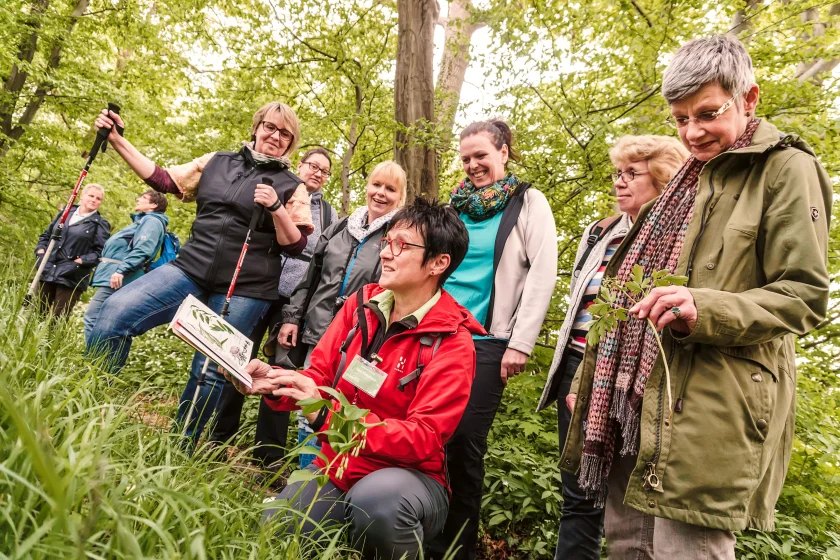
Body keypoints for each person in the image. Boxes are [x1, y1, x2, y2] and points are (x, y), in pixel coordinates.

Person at [561, 34, 831, 559]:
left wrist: (703, 309)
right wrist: (592, 379)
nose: (692, 131)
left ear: (749, 98)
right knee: (625, 546)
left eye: (707, 113)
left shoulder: (785, 169)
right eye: (680, 119)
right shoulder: (685, 175)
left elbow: (804, 295)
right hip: (632, 398)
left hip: (713, 403)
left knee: (688, 548)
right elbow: (623, 293)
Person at [224, 198, 478, 560]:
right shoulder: (361, 304)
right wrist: (278, 383)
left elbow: (425, 438)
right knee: (276, 527)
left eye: (401, 245)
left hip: (410, 479)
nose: (385, 253)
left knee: (377, 503)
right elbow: (318, 374)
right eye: (387, 241)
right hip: (340, 463)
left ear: (438, 263)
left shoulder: (453, 341)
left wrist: (330, 418)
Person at [86, 101, 312, 441]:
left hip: (246, 287)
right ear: (256, 127)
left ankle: (180, 449)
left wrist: (277, 208)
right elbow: (164, 179)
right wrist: (117, 139)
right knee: (114, 312)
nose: (276, 136)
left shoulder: (293, 186)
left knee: (209, 370)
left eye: (285, 134)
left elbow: (294, 244)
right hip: (189, 270)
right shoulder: (217, 161)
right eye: (270, 127)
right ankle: (90, 410)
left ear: (291, 143)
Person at [536, 135, 689, 559]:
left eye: (631, 174)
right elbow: (579, 307)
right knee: (580, 494)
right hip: (580, 371)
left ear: (662, 179)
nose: (619, 183)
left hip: (640, 381)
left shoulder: (683, 236)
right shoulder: (599, 232)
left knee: (634, 500)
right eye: (616, 174)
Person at [428, 120, 558, 560]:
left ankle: (459, 548)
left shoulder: (528, 203)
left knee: (464, 440)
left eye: (481, 155)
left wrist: (521, 342)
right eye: (465, 158)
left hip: (487, 339)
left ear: (504, 152)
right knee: (429, 435)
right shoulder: (456, 204)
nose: (472, 165)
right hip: (436, 332)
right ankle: (424, 533)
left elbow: (542, 272)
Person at [273, 160, 406, 468]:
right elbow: (312, 276)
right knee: (310, 404)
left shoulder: (397, 237)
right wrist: (293, 317)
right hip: (319, 334)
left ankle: (336, 481)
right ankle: (304, 485)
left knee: (348, 409)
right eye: (376, 185)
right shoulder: (341, 227)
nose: (380, 193)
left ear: (399, 197)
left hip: (365, 342)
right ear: (367, 187)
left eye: (390, 189)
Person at [215, 147, 338, 465]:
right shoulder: (282, 189)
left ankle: (267, 455)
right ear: (300, 165)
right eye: (313, 166)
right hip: (258, 289)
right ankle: (218, 439)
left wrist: (301, 309)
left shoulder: (328, 213)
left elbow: (323, 262)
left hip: (292, 304)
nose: (317, 173)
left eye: (324, 171)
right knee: (238, 359)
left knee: (281, 373)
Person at [83, 190, 169, 342]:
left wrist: (122, 270)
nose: (138, 199)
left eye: (143, 198)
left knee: (93, 317)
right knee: (107, 321)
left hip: (122, 277)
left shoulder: (152, 222)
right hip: (120, 276)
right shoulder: (143, 221)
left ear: (154, 205)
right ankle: (103, 360)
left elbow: (143, 250)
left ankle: (92, 360)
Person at [35, 184, 111, 318]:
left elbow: (101, 252)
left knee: (57, 321)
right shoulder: (65, 212)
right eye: (91, 196)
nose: (94, 200)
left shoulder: (100, 224)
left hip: (71, 276)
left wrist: (81, 261)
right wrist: (40, 252)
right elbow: (46, 236)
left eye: (98, 198)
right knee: (37, 315)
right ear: (82, 196)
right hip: (47, 269)